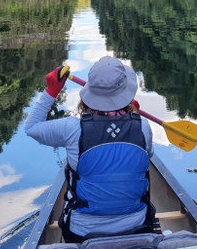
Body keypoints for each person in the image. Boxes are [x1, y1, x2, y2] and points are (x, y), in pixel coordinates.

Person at [25, 56, 154, 243]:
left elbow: (31, 128)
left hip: (81, 233)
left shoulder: (71, 129)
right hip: (136, 227)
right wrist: (132, 117)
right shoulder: (143, 127)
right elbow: (146, 157)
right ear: (126, 93)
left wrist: (51, 92)